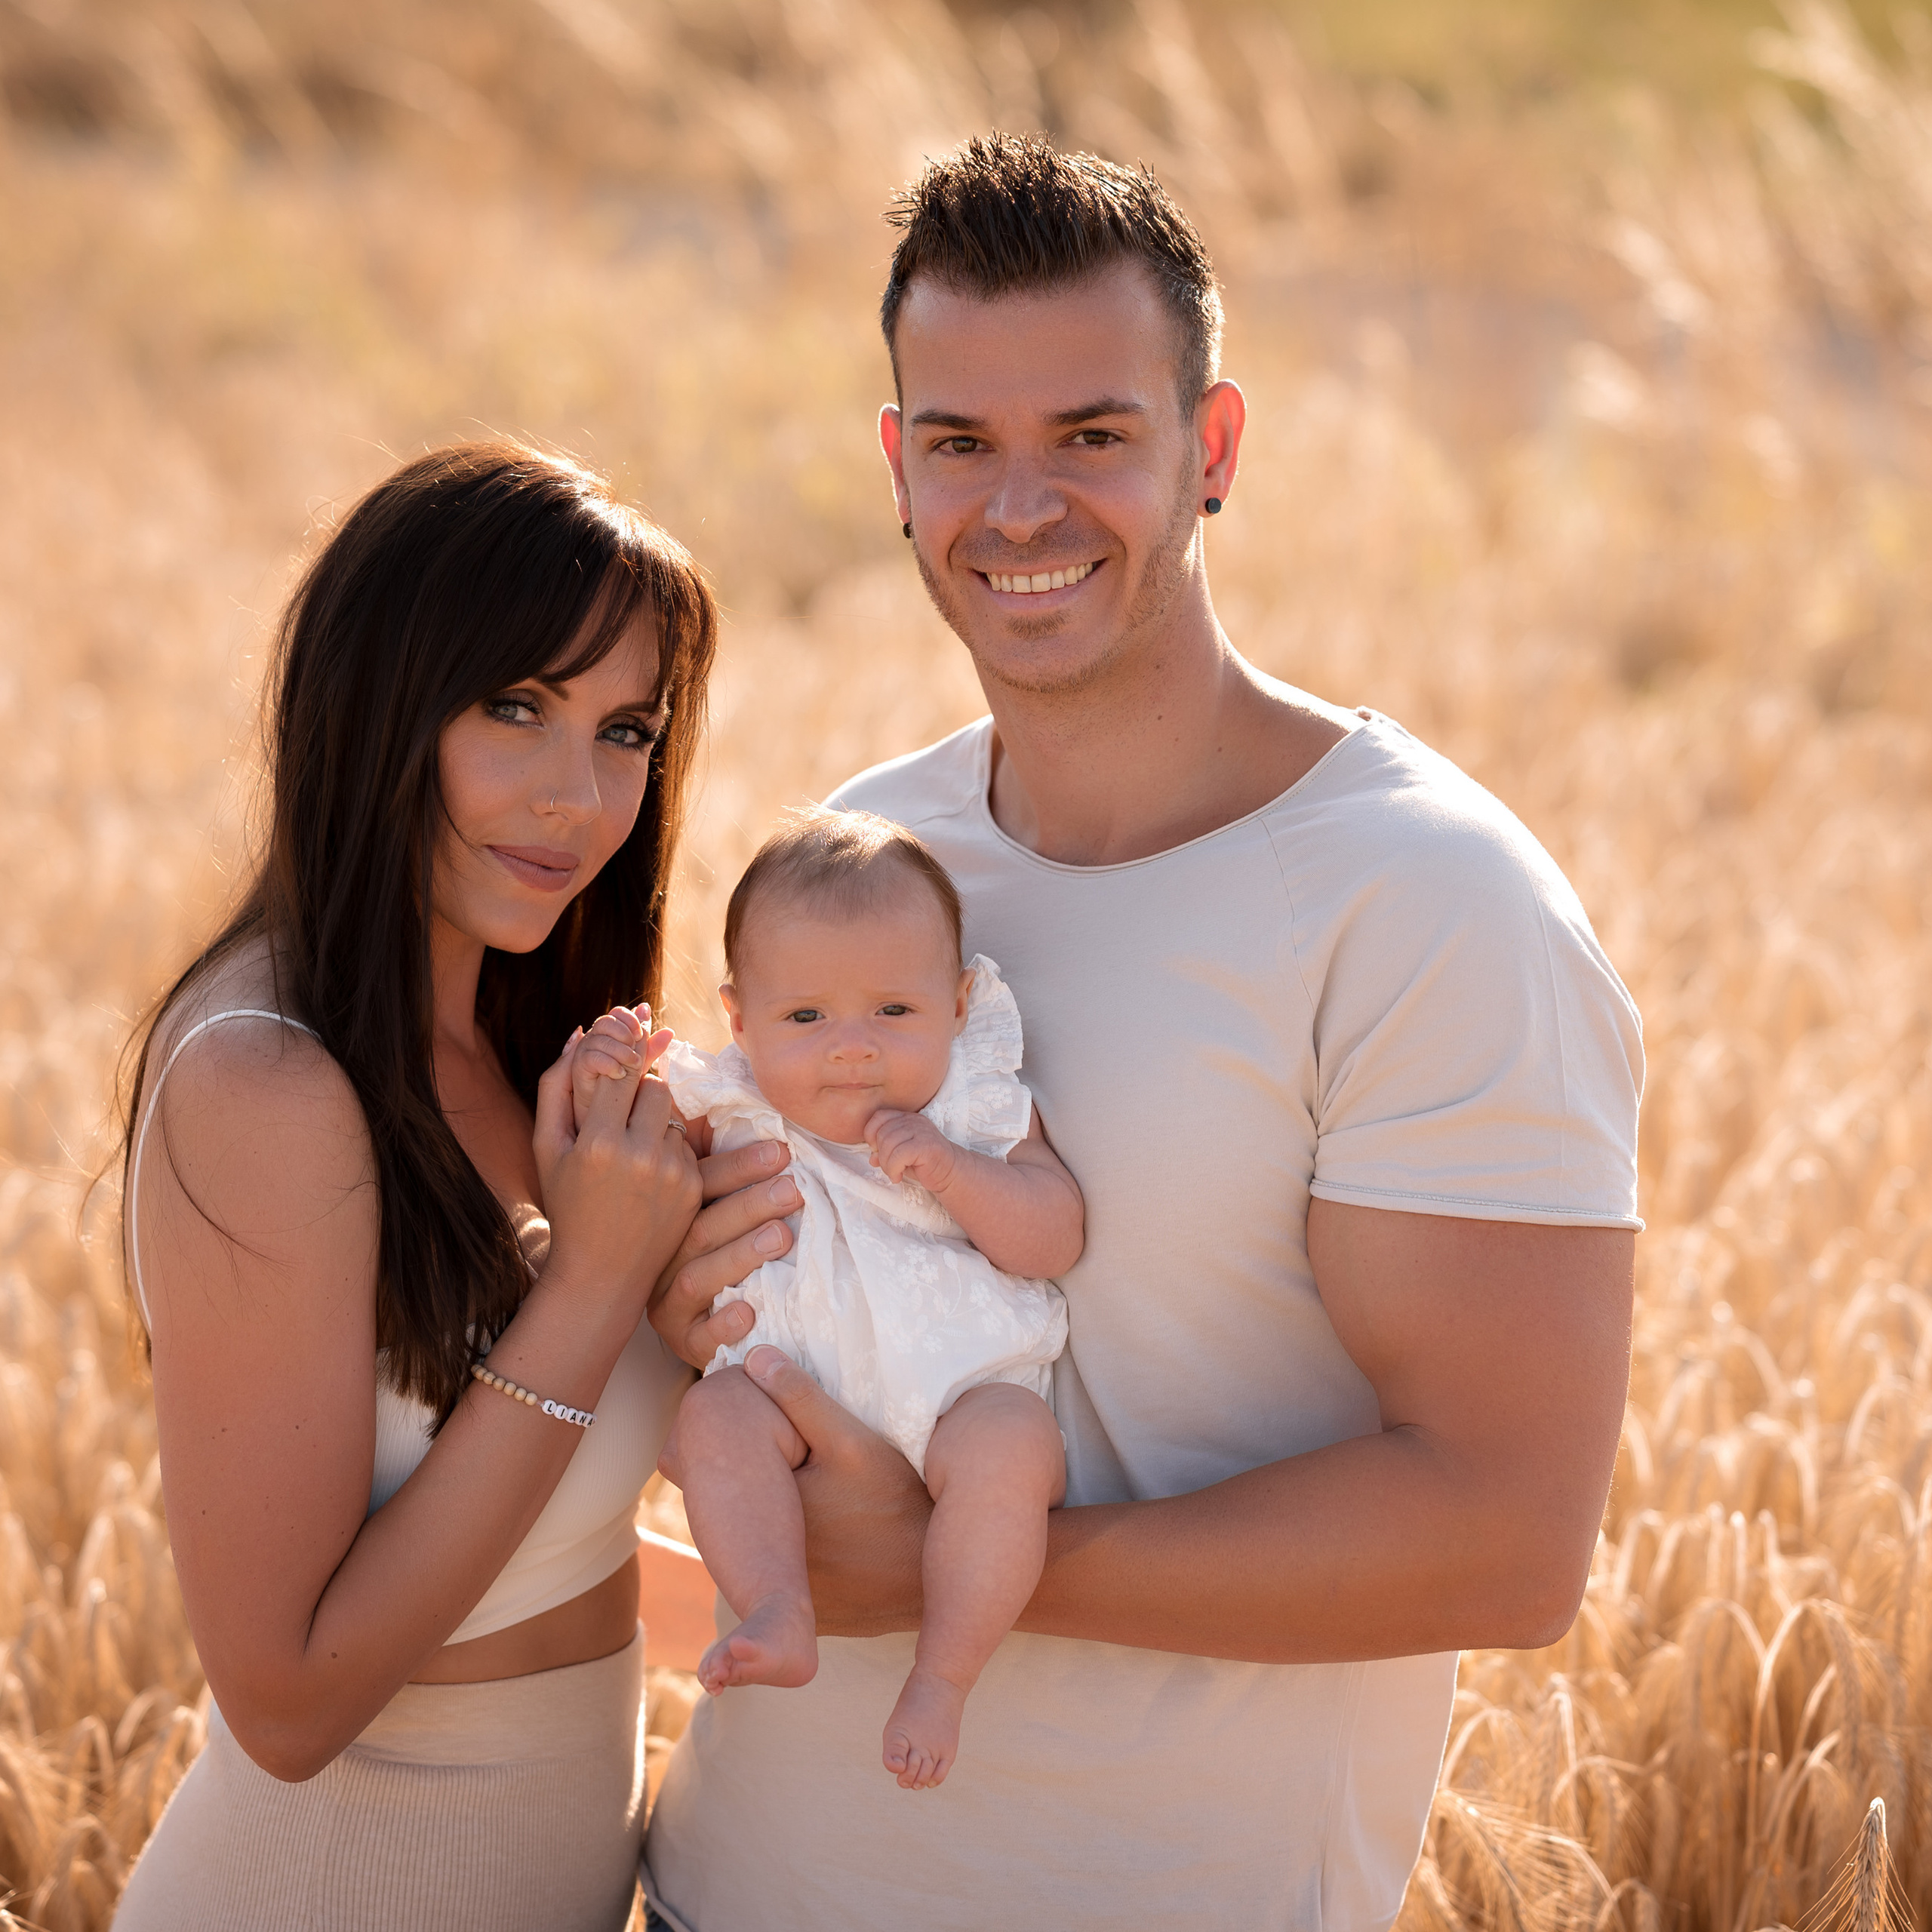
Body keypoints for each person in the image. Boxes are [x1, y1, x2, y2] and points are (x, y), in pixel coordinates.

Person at [641, 137, 1644, 1931]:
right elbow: (753, 1288)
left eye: (1091, 435)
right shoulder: (875, 867)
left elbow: (1506, 1535)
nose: (1016, 507)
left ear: (1216, 450)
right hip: (730, 1886)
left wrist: (959, 1573)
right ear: (896, 467)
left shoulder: (1425, 901)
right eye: (959, 442)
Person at [112, 442, 800, 1930]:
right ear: (376, 702)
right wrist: (597, 1287)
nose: (576, 795)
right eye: (514, 708)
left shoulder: (533, 1059)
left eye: (626, 729)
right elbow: (289, 1699)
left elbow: (555, 1567)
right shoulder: (268, 1081)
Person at [623, 809, 1081, 1791]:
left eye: (893, 1013)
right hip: (789, 1384)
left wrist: (957, 1174)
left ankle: (944, 1674)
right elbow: (638, 1192)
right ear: (739, 1021)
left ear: (958, 1006)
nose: (851, 1050)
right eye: (805, 1019)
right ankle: (777, 1604)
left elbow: (1056, 1233)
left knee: (1013, 1454)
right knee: (715, 1418)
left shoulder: (973, 1102)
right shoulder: (732, 1105)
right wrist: (621, 1080)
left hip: (964, 1384)